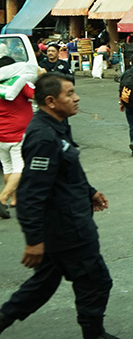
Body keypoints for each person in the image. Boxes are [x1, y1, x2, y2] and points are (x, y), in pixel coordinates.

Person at [0, 73, 118, 339]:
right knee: (95, 281)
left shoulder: (58, 125)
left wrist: (90, 192)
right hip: (68, 230)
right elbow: (31, 193)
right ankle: (94, 335)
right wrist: (33, 240)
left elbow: (66, 171)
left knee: (42, 285)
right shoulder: (43, 136)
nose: (76, 98)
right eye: (69, 94)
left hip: (65, 224)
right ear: (51, 101)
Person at [0, 56, 37, 217]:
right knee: (21, 168)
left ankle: (16, 199)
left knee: (8, 168)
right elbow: (37, 95)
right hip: (18, 133)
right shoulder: (20, 82)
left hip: (1, 135)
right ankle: (2, 199)